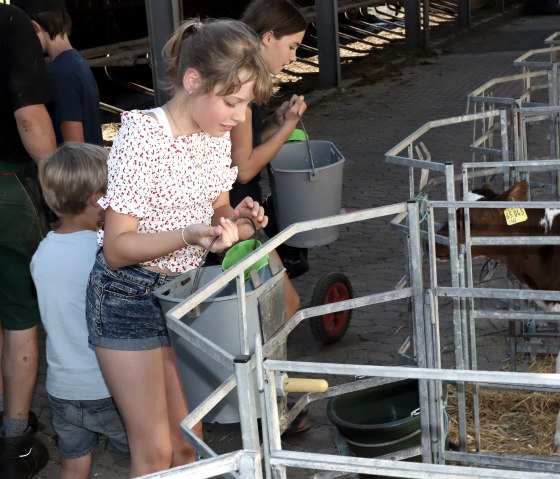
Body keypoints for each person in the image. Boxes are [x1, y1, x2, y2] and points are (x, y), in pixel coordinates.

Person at [84, 18, 273, 477]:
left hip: (184, 294)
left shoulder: (216, 135)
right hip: (127, 296)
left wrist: (238, 222)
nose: (240, 116)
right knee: (153, 454)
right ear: (193, 82)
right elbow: (117, 247)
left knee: (188, 445)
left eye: (246, 104)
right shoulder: (143, 135)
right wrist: (189, 235)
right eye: (232, 101)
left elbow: (218, 211)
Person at [30, 143, 129, 479]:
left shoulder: (41, 254)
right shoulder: (106, 252)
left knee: (74, 463)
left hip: (61, 390)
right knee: (151, 454)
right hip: (107, 387)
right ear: (96, 199)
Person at [0, 3, 56, 478]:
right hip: (6, 187)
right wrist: (57, 184)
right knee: (18, 314)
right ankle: (14, 438)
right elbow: (30, 118)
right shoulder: (9, 21)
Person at [231, 0, 309, 323]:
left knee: (277, 304)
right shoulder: (239, 82)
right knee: (286, 304)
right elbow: (244, 165)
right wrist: (288, 129)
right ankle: (264, 371)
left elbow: (240, 142)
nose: (294, 57)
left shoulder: (239, 73)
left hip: (239, 208)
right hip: (237, 210)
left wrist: (275, 123)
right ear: (268, 37)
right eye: (291, 46)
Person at [12, 0, 103, 146]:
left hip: (77, 167)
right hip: (91, 164)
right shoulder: (76, 61)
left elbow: (74, 146)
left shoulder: (61, 74)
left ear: (34, 27)